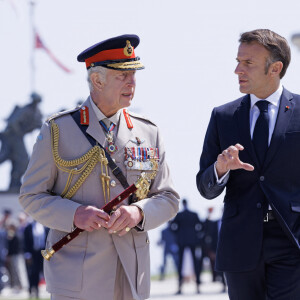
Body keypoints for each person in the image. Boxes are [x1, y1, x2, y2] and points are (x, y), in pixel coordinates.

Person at [19, 34, 179, 300]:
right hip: (77, 277)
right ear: (97, 80)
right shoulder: (58, 130)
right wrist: (74, 214)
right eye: (122, 76)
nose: (132, 83)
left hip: (132, 275)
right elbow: (31, 196)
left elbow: (168, 198)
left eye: (134, 75)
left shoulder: (148, 131)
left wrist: (138, 212)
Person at [196, 29, 300, 299]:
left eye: (247, 63)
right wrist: (220, 169)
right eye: (238, 61)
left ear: (275, 68)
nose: (237, 70)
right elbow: (205, 187)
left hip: (292, 240)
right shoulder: (223, 116)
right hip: (240, 241)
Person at [171, 199, 204, 294]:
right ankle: (198, 287)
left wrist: (178, 234)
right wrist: (196, 235)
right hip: (193, 241)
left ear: (183, 204)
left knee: (180, 264)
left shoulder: (179, 215)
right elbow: (201, 226)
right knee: (195, 263)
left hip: (181, 241)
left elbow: (172, 226)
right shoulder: (194, 214)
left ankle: (180, 287)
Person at [202, 207, 226, 292]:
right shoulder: (215, 223)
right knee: (221, 269)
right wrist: (211, 251)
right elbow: (206, 226)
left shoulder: (232, 222)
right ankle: (224, 285)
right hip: (218, 249)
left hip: (230, 250)